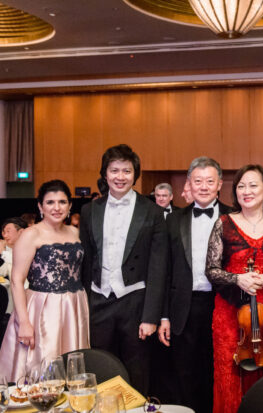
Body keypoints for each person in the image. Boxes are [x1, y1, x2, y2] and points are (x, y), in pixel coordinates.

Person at [80, 144, 168, 394]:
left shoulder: (152, 211)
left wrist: (150, 316)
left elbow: (158, 267)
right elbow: (86, 262)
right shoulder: (89, 211)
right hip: (99, 300)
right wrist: (86, 306)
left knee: (138, 369)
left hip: (135, 302)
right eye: (114, 170)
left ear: (135, 175)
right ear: (105, 174)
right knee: (100, 368)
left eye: (126, 171)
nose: (120, 177)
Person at [158, 157, 231, 413]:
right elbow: (164, 271)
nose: (203, 186)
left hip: (221, 304)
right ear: (189, 183)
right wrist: (164, 315)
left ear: (220, 183)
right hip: (183, 307)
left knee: (217, 370)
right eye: (197, 181)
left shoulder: (232, 217)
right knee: (184, 372)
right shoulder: (173, 220)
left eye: (210, 181)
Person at [206, 164, 263, 413]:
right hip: (228, 313)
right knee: (229, 376)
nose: (246, 191)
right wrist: (238, 279)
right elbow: (211, 271)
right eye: (240, 186)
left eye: (253, 185)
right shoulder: (223, 223)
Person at [0, 180, 89, 380]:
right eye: (50, 202)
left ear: (70, 205)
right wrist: (23, 321)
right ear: (40, 206)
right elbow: (16, 279)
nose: (56, 208)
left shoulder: (76, 233)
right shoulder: (31, 234)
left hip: (74, 305)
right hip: (42, 307)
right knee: (43, 365)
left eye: (62, 202)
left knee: (72, 365)